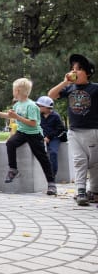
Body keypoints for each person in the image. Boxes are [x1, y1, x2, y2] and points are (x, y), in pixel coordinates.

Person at [48, 53, 98, 206]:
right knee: (79, 161)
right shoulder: (69, 88)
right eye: (72, 69)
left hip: (93, 131)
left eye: (79, 69)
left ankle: (94, 191)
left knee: (94, 163)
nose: (74, 71)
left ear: (88, 73)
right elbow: (51, 95)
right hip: (74, 132)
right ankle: (81, 190)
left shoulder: (95, 88)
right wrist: (64, 83)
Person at [0, 78, 57, 196]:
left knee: (42, 158)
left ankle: (51, 183)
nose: (13, 92)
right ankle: (13, 169)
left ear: (17, 90)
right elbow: (9, 115)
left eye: (13, 89)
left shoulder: (32, 106)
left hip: (34, 134)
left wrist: (17, 117)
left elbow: (33, 123)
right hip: (22, 132)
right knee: (10, 143)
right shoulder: (17, 104)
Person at [36, 96, 66, 181]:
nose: (38, 107)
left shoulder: (55, 116)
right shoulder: (38, 116)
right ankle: (41, 176)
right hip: (41, 138)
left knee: (53, 152)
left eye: (40, 106)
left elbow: (60, 129)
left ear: (46, 107)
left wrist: (49, 137)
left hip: (54, 138)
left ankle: (52, 176)